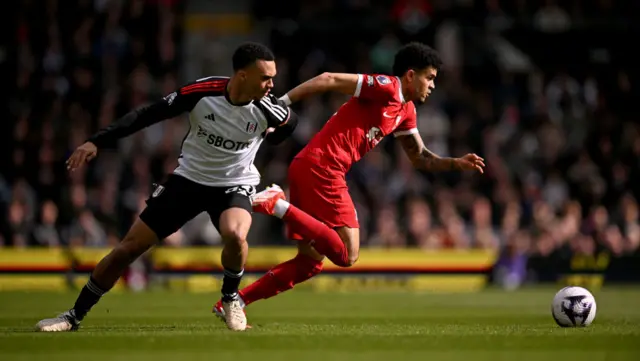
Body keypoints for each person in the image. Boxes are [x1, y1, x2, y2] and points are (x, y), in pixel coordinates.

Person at [36, 42, 297, 332]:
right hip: (188, 180)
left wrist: (272, 135)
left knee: (235, 235)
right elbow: (148, 114)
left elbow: (289, 126)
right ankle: (73, 316)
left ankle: (230, 298)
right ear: (242, 75)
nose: (271, 84)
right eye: (265, 77)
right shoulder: (203, 92)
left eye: (272, 77)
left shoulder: (268, 108)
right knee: (128, 249)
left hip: (233, 184)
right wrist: (97, 141)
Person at [213, 42, 485, 320]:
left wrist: (454, 163)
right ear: (411, 75)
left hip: (310, 167)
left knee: (309, 263)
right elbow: (328, 79)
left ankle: (234, 302)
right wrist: (280, 104)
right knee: (348, 254)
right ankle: (277, 204)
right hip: (323, 168)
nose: (433, 85)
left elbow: (420, 158)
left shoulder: (407, 111)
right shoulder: (387, 87)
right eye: (430, 77)